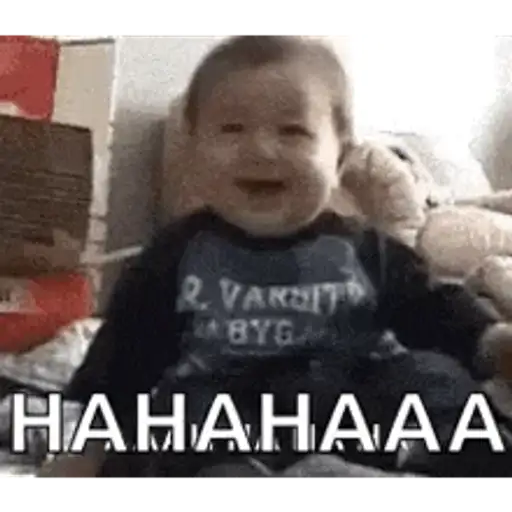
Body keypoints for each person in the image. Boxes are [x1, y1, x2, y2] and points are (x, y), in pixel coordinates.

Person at [40, 34, 512, 479]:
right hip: (232, 410)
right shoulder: (174, 254)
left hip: (350, 398)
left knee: (433, 377)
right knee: (172, 417)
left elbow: (432, 306)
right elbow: (123, 357)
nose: (261, 149)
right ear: (195, 152)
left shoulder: (367, 249)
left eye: (293, 131)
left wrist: (490, 339)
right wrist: (86, 446)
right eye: (232, 129)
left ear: (340, 157)